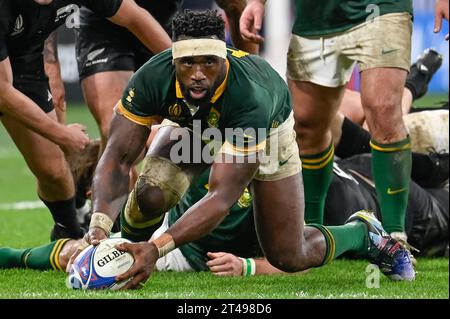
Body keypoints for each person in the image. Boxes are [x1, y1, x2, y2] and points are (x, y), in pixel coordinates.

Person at [74, 10, 414, 290]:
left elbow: (222, 197)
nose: (197, 75)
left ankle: (363, 233)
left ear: (223, 56)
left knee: (289, 256)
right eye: (187, 63)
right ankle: (121, 255)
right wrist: (100, 226)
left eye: (208, 63)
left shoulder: (249, 97)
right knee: (150, 192)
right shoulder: (152, 77)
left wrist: (156, 248)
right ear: (172, 59)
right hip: (199, 128)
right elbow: (117, 158)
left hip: (266, 132)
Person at [2, 153, 447, 275]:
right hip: (187, 249)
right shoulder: (177, 146)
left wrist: (250, 268)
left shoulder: (260, 157)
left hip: (360, 199)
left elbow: (292, 257)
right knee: (91, 260)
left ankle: (364, 235)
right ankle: (6, 254)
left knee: (425, 173)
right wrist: (89, 243)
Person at [239, 0, 445, 251]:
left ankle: (394, 238)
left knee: (383, 110)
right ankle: (311, 233)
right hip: (318, 17)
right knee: (306, 126)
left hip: (383, 7)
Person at [0, 0, 181, 240]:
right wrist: (62, 134)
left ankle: (68, 234)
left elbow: (134, 16)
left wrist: (181, 69)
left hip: (24, 61)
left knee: (54, 171)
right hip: (4, 78)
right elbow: (2, 91)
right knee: (107, 133)